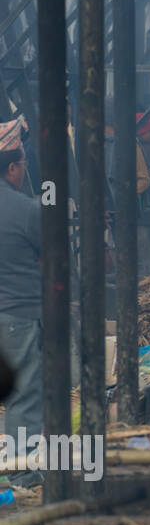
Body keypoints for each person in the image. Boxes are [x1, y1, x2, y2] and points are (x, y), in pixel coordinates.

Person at [0, 118, 44, 489]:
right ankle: (24, 472)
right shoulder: (27, 209)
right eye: (24, 164)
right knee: (24, 395)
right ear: (13, 168)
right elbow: (52, 260)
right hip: (17, 315)